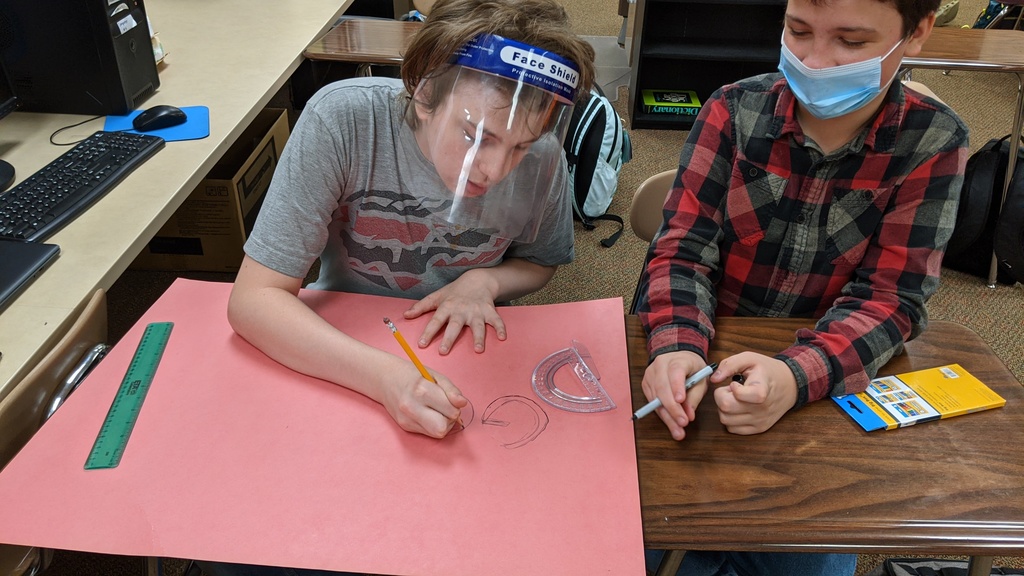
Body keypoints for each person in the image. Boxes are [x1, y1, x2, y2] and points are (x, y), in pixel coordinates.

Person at [635, 0, 969, 573]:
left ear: (915, 33)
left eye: (851, 42)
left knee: (808, 557)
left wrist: (795, 377)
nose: (814, 61)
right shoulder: (731, 110)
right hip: (702, 369)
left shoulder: (933, 141)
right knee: (639, 538)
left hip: (824, 391)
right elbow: (680, 252)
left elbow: (893, 299)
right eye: (797, 30)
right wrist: (678, 344)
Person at [225, 0, 595, 440]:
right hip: (340, 343)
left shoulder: (542, 157)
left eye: (520, 147)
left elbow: (540, 261)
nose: (495, 170)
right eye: (476, 136)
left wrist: (488, 282)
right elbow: (253, 300)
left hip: (477, 349)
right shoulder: (344, 121)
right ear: (423, 93)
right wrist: (384, 378)